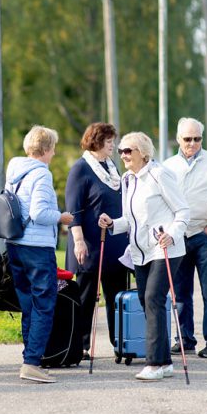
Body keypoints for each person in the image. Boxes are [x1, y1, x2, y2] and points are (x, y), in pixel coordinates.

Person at [98, 132, 189, 381]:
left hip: (165, 247)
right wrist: (112, 224)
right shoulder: (128, 179)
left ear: (144, 154)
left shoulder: (159, 174)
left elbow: (182, 210)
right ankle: (165, 362)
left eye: (129, 150)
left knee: (153, 297)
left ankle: (154, 363)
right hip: (139, 251)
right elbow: (130, 219)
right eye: (121, 151)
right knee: (145, 299)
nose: (124, 155)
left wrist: (171, 233)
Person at [5, 125, 74, 384]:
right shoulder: (42, 175)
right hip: (37, 247)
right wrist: (62, 217)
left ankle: (28, 358)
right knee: (44, 304)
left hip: (16, 246)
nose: (54, 153)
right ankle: (32, 362)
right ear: (45, 150)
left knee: (27, 305)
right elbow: (38, 214)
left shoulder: (13, 172)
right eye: (53, 148)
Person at [163, 117, 207, 359]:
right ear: (178, 139)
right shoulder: (168, 166)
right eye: (187, 139)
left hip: (205, 235)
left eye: (197, 138)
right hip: (179, 237)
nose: (192, 143)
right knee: (180, 294)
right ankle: (184, 339)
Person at [65, 122, 129, 358]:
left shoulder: (112, 168)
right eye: (109, 140)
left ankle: (121, 343)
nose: (113, 145)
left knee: (117, 297)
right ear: (97, 141)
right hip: (90, 245)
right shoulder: (81, 168)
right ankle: (80, 346)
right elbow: (74, 209)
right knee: (85, 298)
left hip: (116, 244)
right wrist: (79, 240)